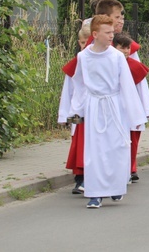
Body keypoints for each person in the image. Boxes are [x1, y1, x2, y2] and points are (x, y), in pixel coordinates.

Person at [64, 15, 147, 209]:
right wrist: (75, 114)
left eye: (112, 32)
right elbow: (80, 87)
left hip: (114, 105)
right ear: (95, 34)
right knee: (95, 150)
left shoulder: (116, 56)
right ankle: (95, 193)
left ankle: (116, 186)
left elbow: (126, 85)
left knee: (116, 147)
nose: (112, 36)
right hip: (94, 106)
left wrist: (134, 115)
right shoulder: (83, 57)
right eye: (108, 32)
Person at [113, 32, 149, 183]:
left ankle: (130, 168)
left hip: (132, 109)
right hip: (115, 109)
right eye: (121, 47)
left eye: (128, 48)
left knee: (132, 140)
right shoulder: (109, 63)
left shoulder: (135, 66)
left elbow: (142, 90)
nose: (125, 51)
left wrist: (146, 111)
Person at [58, 24, 91, 195]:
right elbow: (68, 90)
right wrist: (65, 115)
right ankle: (80, 179)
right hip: (79, 110)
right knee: (79, 146)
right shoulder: (76, 62)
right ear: (79, 43)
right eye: (84, 43)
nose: (86, 46)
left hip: (97, 109)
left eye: (89, 42)